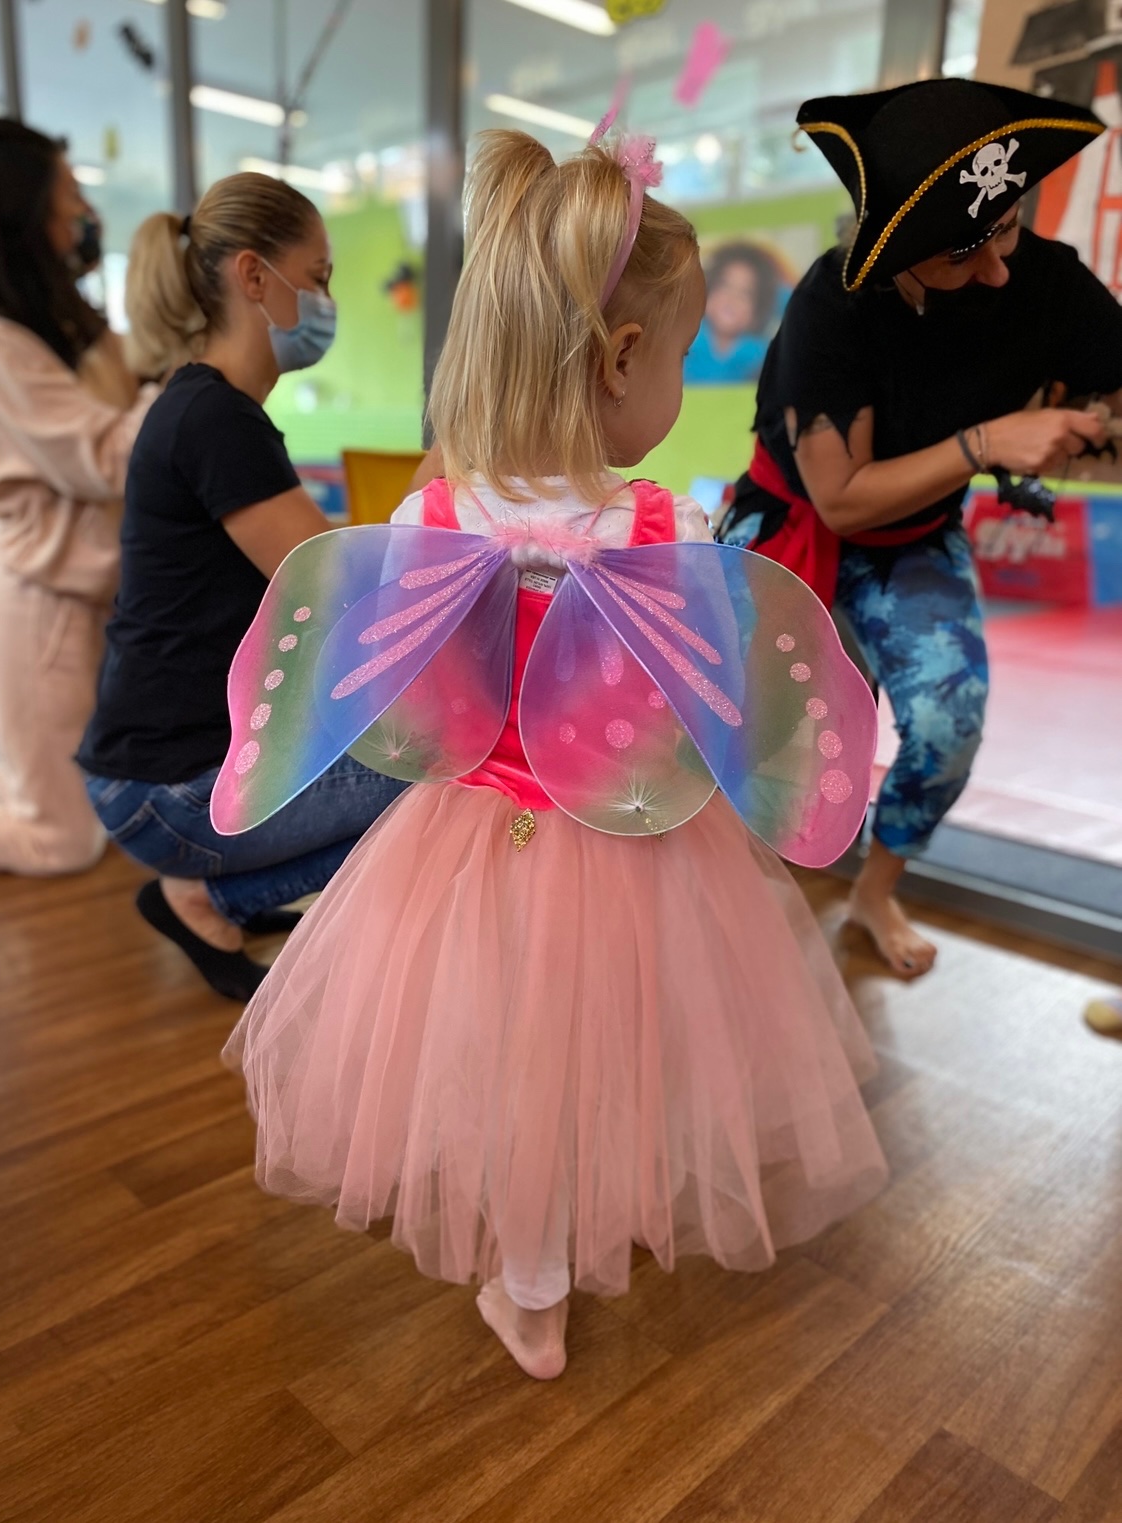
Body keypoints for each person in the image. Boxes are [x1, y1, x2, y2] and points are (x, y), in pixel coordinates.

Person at [219, 127, 888, 1381]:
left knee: (482, 1048)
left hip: (465, 840)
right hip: (629, 844)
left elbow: (404, 694)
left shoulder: (432, 510)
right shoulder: (664, 523)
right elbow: (712, 707)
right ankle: (551, 1249)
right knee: (610, 1052)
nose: (679, 380)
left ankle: (523, 1275)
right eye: (679, 355)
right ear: (623, 356)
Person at [717, 79, 1122, 978]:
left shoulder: (1044, 282)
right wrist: (988, 442)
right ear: (898, 254)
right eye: (964, 252)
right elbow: (843, 500)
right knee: (752, 735)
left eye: (1007, 228)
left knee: (946, 725)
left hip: (917, 536)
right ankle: (728, 900)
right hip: (797, 525)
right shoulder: (834, 304)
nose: (998, 268)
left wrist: (1091, 416)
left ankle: (873, 891)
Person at [77, 175, 405, 1001]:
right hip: (168, 790)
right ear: (254, 275)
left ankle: (212, 894)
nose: (327, 300)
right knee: (431, 770)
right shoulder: (217, 419)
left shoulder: (204, 407)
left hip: (148, 773)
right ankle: (211, 897)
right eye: (318, 276)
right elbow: (341, 593)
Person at [0, 119, 151, 872]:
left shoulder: (70, 326)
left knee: (82, 813)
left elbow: (133, 401)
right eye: (67, 192)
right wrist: (190, 385)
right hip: (39, 615)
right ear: (23, 209)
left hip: (91, 607)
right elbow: (104, 457)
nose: (83, 210)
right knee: (61, 841)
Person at [683, 241, 780, 384]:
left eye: (745, 293)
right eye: (724, 286)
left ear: (757, 311)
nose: (732, 299)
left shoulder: (761, 356)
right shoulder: (683, 340)